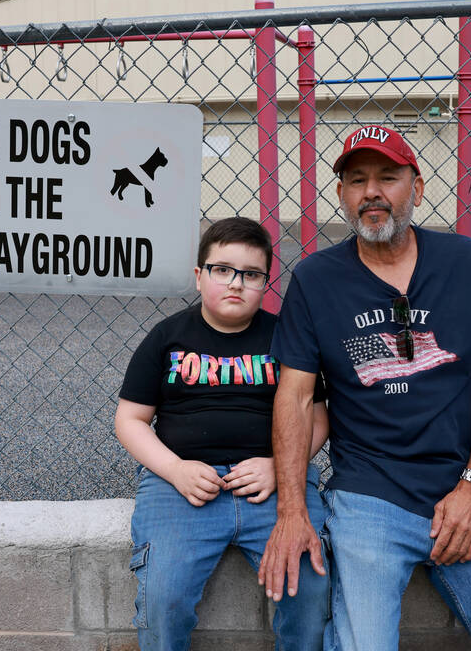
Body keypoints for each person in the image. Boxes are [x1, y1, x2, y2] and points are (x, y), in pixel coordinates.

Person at [257, 126, 471, 651]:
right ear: (342, 194)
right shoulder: (316, 278)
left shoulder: (465, 262)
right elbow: (296, 396)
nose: (372, 192)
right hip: (370, 496)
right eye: (356, 180)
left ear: (416, 187)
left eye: (388, 177)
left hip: (468, 488)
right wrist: (291, 512)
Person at [116, 216, 331, 651]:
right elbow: (130, 420)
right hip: (182, 485)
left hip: (274, 482)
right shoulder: (167, 337)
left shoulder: (286, 337)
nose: (236, 284)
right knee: (163, 596)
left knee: (310, 587)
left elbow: (317, 417)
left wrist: (280, 467)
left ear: (265, 283)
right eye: (222, 270)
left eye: (251, 274)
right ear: (199, 276)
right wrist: (175, 470)